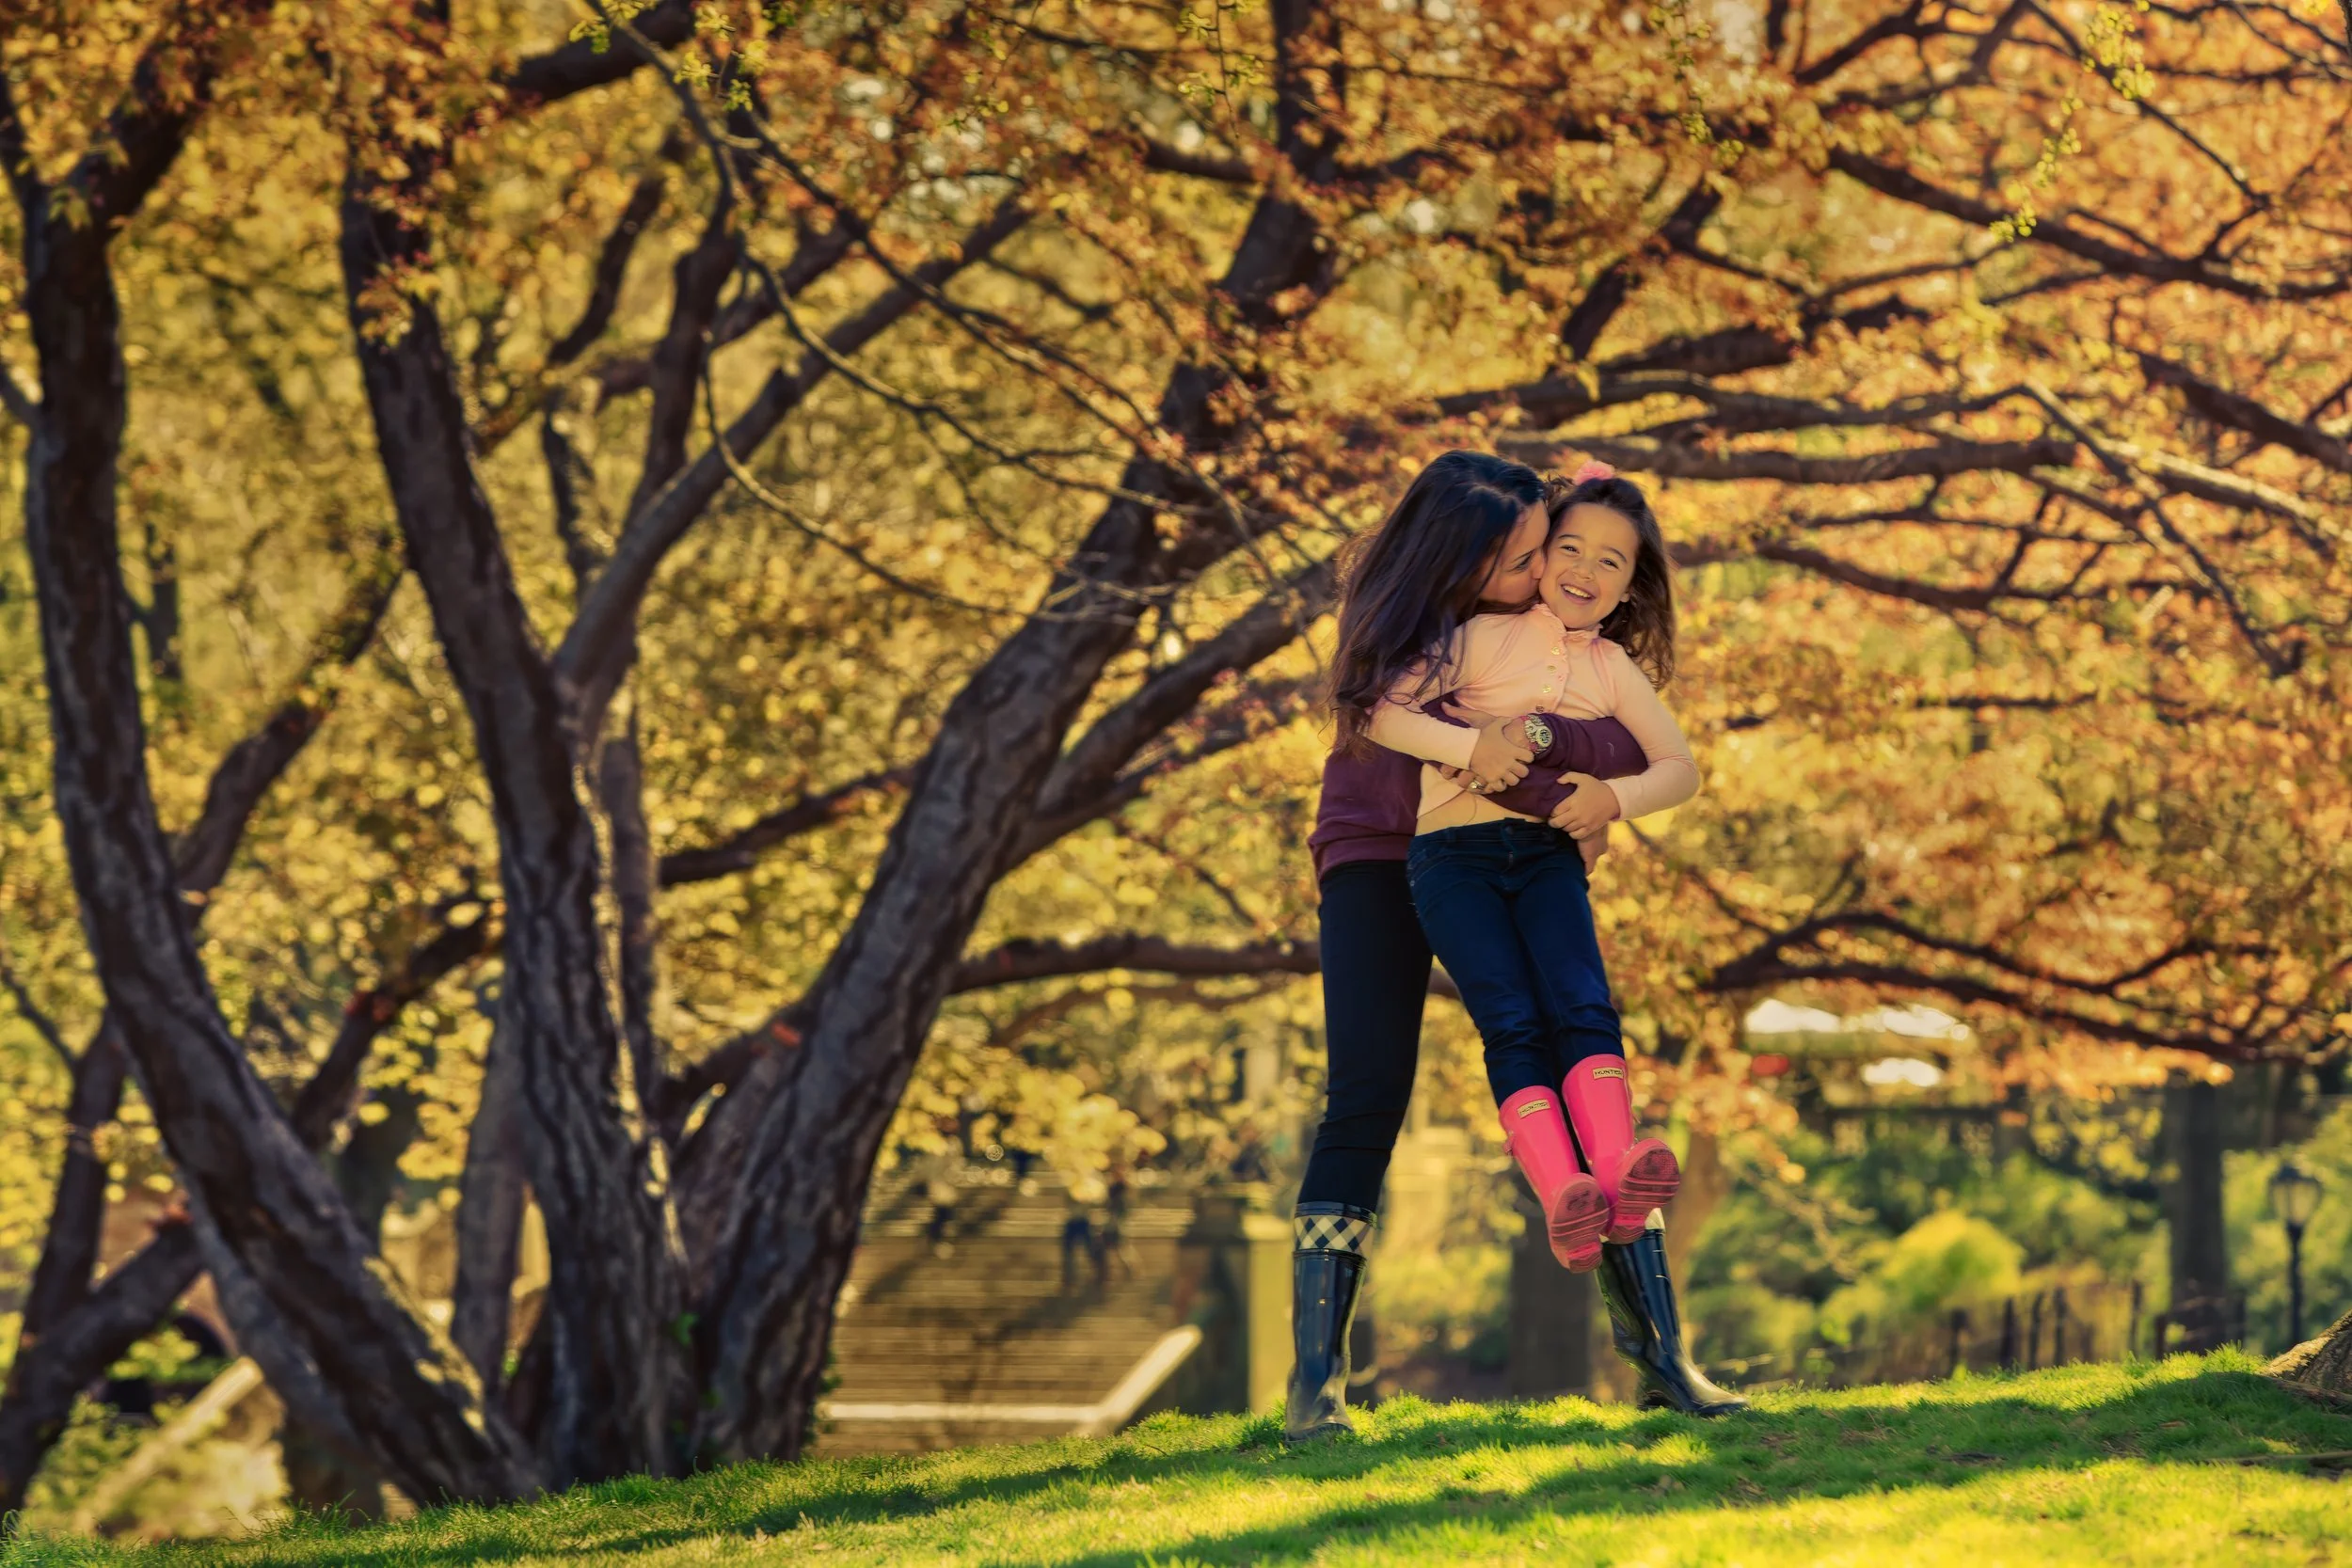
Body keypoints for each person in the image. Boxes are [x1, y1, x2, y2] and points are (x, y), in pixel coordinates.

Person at [1287, 454, 1742, 1442]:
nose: (1542, 571)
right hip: (1376, 852)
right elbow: (1381, 716)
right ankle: (1315, 1381)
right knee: (1366, 1089)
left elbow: (1617, 744)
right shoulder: (1401, 622)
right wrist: (1488, 747)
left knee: (1574, 1034)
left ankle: (1662, 1354)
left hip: (1507, 849)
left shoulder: (1551, 637)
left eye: (1548, 550)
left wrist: (1587, 790)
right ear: (1459, 554)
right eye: (1522, 555)